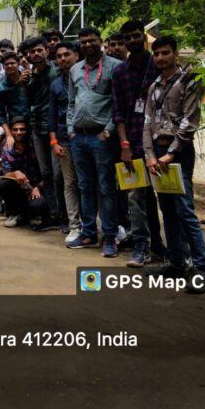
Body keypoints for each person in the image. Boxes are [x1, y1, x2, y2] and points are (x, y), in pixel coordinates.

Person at [143, 36, 205, 290]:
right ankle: (176, 262)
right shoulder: (154, 87)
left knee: (185, 210)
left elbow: (189, 122)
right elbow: (147, 123)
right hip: (157, 153)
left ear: (175, 54)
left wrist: (170, 153)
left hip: (178, 152)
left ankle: (201, 269)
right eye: (157, 53)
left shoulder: (188, 82)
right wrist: (150, 155)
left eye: (165, 53)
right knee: (167, 209)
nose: (160, 58)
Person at [66, 26, 123, 257]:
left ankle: (109, 237)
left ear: (101, 41)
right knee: (84, 187)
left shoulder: (115, 67)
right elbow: (71, 101)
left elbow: (120, 104)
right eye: (83, 41)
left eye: (92, 40)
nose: (87, 44)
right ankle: (88, 232)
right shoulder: (75, 69)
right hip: (79, 137)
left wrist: (109, 130)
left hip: (102, 137)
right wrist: (70, 128)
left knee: (106, 188)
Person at [112, 20, 164, 266]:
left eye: (135, 36)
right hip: (132, 143)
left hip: (159, 144)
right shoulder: (120, 72)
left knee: (165, 196)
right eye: (127, 38)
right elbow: (118, 112)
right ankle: (141, 247)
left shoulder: (158, 66)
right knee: (136, 198)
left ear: (143, 37)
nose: (132, 41)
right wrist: (124, 145)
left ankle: (166, 247)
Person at [25, 36, 61, 228]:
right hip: (37, 128)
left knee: (59, 174)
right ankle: (53, 215)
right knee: (46, 173)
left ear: (47, 50)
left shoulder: (57, 70)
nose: (36, 54)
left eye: (39, 50)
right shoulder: (30, 76)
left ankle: (66, 216)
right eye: (32, 52)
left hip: (55, 128)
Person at [49, 42, 83, 245]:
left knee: (89, 183)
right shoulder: (55, 85)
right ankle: (74, 226)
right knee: (69, 183)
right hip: (63, 140)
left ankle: (92, 225)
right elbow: (52, 115)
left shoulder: (86, 79)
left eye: (67, 54)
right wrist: (53, 141)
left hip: (85, 137)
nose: (62, 59)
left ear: (76, 56)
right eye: (59, 56)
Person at [0, 117, 48, 228]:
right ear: (11, 131)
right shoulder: (7, 150)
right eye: (15, 130)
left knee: (38, 205)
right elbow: (6, 174)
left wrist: (38, 187)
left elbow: (47, 173)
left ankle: (33, 215)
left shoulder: (36, 147)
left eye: (22, 129)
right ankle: (14, 214)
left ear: (28, 131)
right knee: (4, 184)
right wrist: (15, 173)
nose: (19, 132)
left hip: (35, 188)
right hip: (18, 190)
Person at [0, 50, 30, 147]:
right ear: (3, 66)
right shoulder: (0, 88)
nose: (10, 66)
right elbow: (0, 114)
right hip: (15, 126)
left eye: (12, 63)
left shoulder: (28, 78)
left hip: (34, 124)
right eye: (7, 64)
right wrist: (9, 134)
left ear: (18, 64)